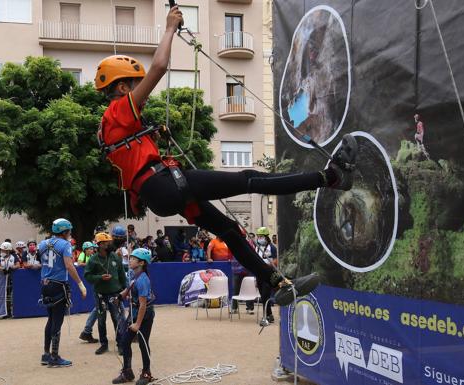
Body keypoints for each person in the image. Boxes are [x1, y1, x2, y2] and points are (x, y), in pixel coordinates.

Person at [94, 5, 358, 306]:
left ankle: (275, 282)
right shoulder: (118, 113)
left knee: (230, 230)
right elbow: (159, 68)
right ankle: (332, 177)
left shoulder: (110, 128)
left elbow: (132, 158)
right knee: (250, 180)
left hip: (159, 192)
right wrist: (169, 28)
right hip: (163, 185)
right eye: (135, 85)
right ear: (124, 85)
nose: (140, 92)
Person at [38, 218, 88, 368]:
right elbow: (69, 265)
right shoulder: (65, 245)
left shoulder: (43, 243)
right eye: (69, 231)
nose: (70, 233)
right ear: (64, 231)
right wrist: (80, 283)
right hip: (58, 284)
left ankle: (46, 354)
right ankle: (54, 357)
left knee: (50, 319)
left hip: (45, 283)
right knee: (57, 321)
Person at [113, 248, 156, 384]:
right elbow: (130, 287)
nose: (129, 260)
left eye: (133, 258)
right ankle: (127, 372)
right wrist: (121, 296)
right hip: (134, 311)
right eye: (130, 258)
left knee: (143, 343)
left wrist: (137, 324)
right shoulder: (133, 274)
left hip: (145, 314)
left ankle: (147, 373)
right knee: (125, 342)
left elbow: (143, 304)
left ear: (142, 263)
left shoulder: (143, 280)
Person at [84, 232, 127, 355]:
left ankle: (121, 344)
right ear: (100, 244)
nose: (109, 244)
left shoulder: (115, 257)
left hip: (115, 293)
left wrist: (125, 290)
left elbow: (122, 275)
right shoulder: (93, 260)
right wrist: (100, 277)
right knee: (101, 320)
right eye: (106, 242)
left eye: (109, 242)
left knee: (117, 319)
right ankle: (104, 344)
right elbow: (87, 276)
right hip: (100, 294)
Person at [77, 241, 100, 344]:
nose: (92, 250)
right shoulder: (88, 256)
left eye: (93, 248)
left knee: (99, 308)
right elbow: (79, 263)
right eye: (90, 248)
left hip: (99, 283)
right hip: (98, 284)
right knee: (99, 308)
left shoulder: (95, 256)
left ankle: (86, 331)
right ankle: (86, 331)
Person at [255, 227, 278, 325]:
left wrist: (267, 265)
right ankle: (270, 315)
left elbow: (276, 261)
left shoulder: (272, 247)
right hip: (259, 274)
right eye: (258, 236)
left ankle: (266, 317)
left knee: (265, 295)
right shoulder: (256, 247)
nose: (259, 238)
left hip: (268, 274)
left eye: (261, 236)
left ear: (266, 237)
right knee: (263, 296)